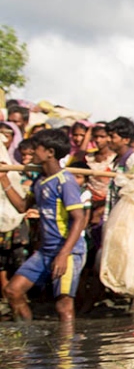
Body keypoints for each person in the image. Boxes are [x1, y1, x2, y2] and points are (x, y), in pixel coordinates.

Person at [0, 129, 87, 325]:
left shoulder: (65, 182)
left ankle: (66, 353)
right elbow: (22, 206)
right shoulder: (39, 182)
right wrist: (4, 180)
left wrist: (64, 254)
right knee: (12, 291)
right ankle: (28, 338)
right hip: (45, 251)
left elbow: (79, 219)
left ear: (49, 152)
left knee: (64, 305)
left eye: (35, 150)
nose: (31, 154)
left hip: (68, 250)